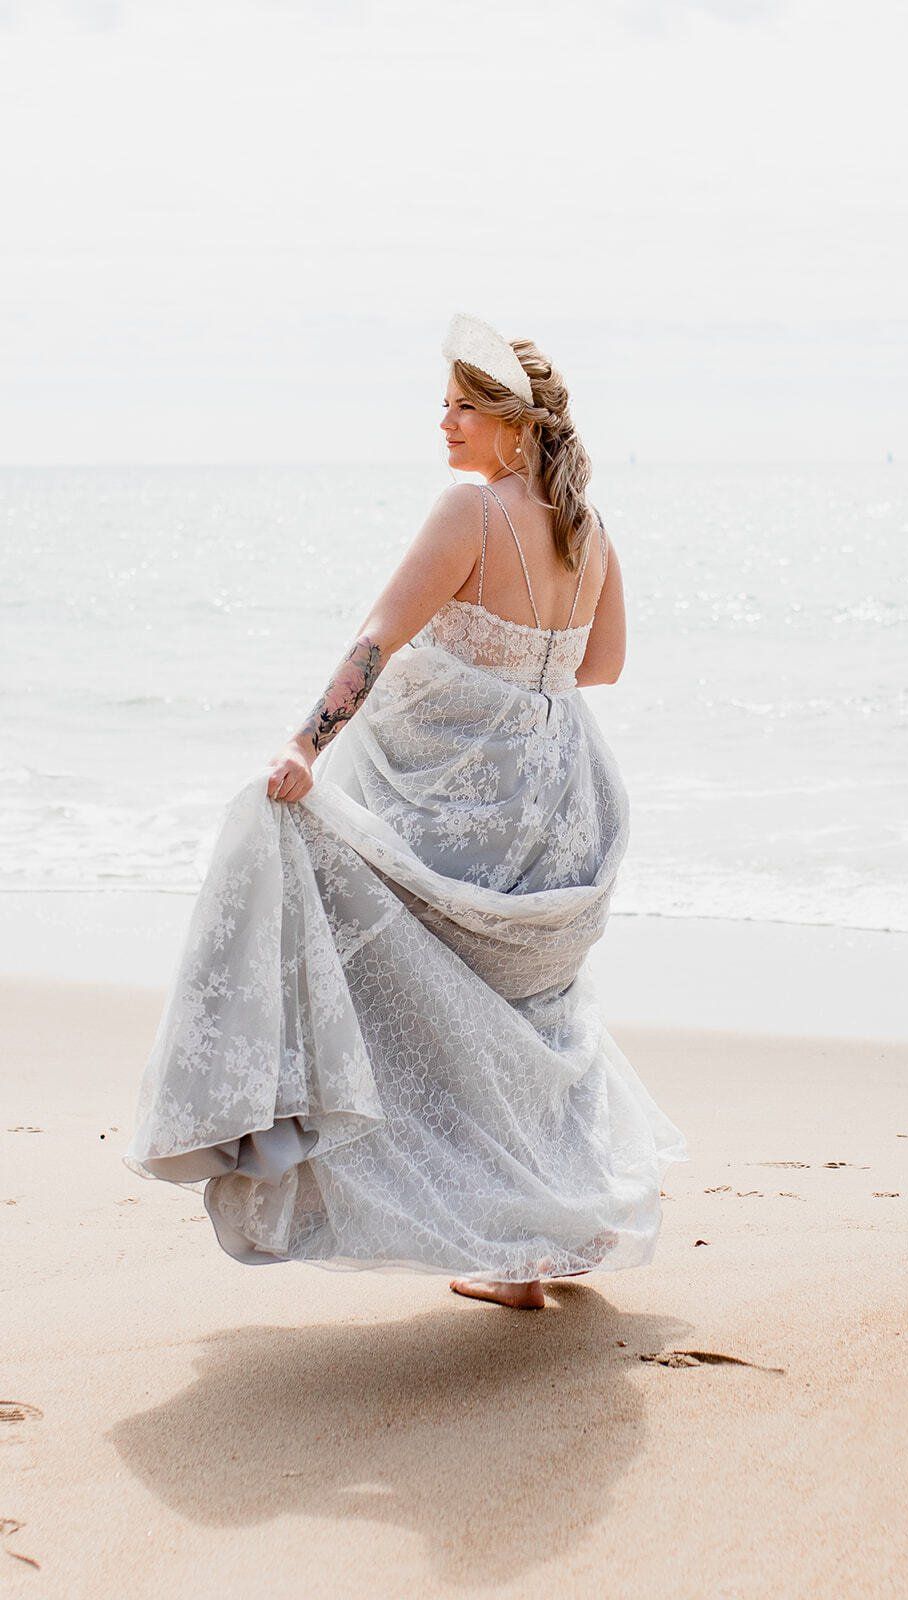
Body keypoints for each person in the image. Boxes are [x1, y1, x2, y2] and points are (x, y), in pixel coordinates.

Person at [123, 312, 688, 1311]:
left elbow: (379, 636)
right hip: (557, 801)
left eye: (461, 406)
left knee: (431, 1003)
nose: (443, 424)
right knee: (524, 1017)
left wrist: (307, 743)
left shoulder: (469, 514)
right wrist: (517, 678)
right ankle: (551, 1234)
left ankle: (501, 1240)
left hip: (470, 798)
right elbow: (599, 666)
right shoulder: (586, 528)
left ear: (511, 421)